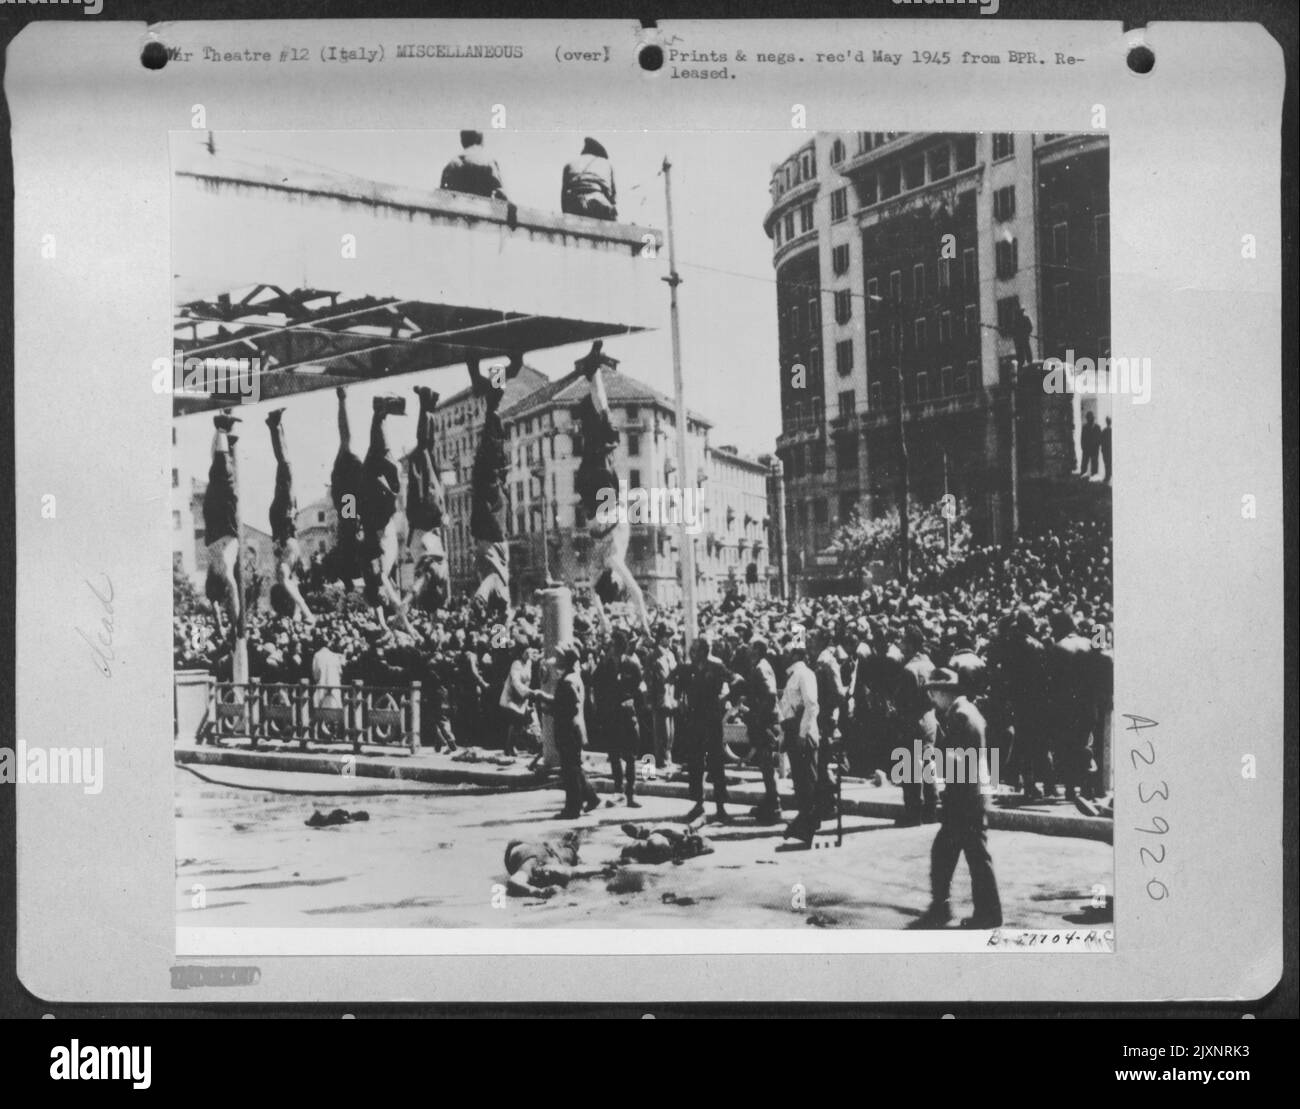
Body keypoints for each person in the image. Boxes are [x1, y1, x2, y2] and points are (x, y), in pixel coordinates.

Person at [911, 668, 1003, 929]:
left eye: (933, 691)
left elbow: (960, 759)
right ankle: (972, 911)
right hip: (971, 794)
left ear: (943, 692)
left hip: (965, 797)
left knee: (964, 855)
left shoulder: (959, 716)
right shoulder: (967, 711)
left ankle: (977, 913)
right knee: (960, 855)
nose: (931, 697)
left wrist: (930, 761)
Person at [574, 342, 650, 631]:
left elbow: (637, 592)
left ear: (614, 581)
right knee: (597, 436)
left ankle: (593, 372)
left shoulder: (614, 562)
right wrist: (604, 623)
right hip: (591, 496)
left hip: (606, 499)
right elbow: (592, 592)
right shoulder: (596, 570)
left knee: (606, 429)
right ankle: (591, 379)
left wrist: (644, 622)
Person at [467, 355, 519, 618]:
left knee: (492, 425)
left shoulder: (498, 584)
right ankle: (488, 372)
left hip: (492, 520)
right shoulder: (498, 589)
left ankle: (498, 372)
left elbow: (490, 583)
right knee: (492, 419)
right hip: (485, 520)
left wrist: (481, 597)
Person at [360, 394, 415, 636]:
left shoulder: (376, 575)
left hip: (377, 513)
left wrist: (407, 626)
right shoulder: (377, 578)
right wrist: (385, 625)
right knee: (378, 455)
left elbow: (388, 600)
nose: (387, 593)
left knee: (391, 467)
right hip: (375, 512)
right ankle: (379, 413)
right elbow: (381, 603)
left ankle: (380, 413)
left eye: (382, 595)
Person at [534, 640, 601, 818]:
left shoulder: (567, 682)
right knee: (575, 767)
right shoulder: (574, 677)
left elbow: (566, 707)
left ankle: (572, 808)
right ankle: (591, 797)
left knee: (569, 770)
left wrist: (546, 703)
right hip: (575, 728)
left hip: (568, 730)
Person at [266, 408, 314, 624]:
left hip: (283, 516)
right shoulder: (291, 566)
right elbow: (291, 583)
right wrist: (297, 613)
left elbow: (287, 581)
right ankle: (274, 424)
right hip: (284, 516)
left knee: (286, 466)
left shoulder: (285, 567)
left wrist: (304, 610)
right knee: (285, 465)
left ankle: (275, 424)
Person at [407, 385, 449, 613]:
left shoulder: (439, 574)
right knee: (423, 451)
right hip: (424, 513)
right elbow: (415, 589)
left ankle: (429, 404)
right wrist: (403, 607)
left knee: (427, 452)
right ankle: (426, 402)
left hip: (432, 513)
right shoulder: (430, 575)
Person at [680, 634, 732, 823]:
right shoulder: (689, 667)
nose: (692, 653)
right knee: (695, 763)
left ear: (704, 650)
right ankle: (698, 803)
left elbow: (733, 681)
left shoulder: (717, 666)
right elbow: (680, 686)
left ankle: (720, 806)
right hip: (695, 720)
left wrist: (723, 698)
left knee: (716, 763)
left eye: (695, 650)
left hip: (712, 719)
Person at [778, 632, 821, 846]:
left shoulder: (804, 675)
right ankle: (804, 825)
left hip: (803, 735)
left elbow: (811, 705)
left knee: (807, 783)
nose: (783, 653)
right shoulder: (792, 675)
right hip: (794, 732)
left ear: (796, 653)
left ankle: (808, 827)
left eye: (787, 650)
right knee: (801, 783)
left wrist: (803, 734)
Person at [203, 412, 242, 646]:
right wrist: (224, 627)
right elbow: (217, 606)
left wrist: (235, 627)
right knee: (217, 475)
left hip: (224, 530)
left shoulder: (224, 572)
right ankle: (222, 433)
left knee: (223, 476)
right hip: (214, 530)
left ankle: (222, 430)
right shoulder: (215, 573)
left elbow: (232, 594)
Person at [897, 625, 938, 825]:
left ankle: (913, 812)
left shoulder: (908, 670)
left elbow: (903, 701)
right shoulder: (929, 664)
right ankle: (931, 808)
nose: (899, 644)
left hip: (912, 719)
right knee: (928, 762)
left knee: (911, 765)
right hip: (930, 718)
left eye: (903, 641)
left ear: (911, 644)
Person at [742, 635, 783, 824]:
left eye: (751, 646)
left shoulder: (761, 668)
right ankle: (770, 801)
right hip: (764, 721)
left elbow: (770, 694)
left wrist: (758, 716)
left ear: (757, 649)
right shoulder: (761, 665)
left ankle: (774, 806)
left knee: (767, 765)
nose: (747, 649)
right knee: (764, 765)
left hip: (765, 723)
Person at [327, 386, 365, 591]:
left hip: (347, 495)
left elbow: (350, 515)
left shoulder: (349, 540)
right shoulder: (347, 550)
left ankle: (342, 398)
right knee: (345, 441)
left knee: (346, 441)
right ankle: (342, 399)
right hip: (346, 495)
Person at [440, 129, 508, 200]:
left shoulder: (452, 164)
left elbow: (441, 196)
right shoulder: (489, 162)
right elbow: (501, 193)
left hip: (457, 209)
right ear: (481, 140)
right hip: (482, 209)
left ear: (462, 142)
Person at [561, 137, 617, 220]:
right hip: (598, 200)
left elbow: (563, 196)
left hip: (574, 203)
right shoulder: (606, 163)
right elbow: (612, 196)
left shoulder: (569, 164)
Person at [647, 624, 678, 769]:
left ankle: (667, 757)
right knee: (661, 731)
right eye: (667, 636)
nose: (669, 639)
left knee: (671, 732)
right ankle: (660, 760)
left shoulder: (670, 654)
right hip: (659, 697)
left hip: (671, 697)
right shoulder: (653, 656)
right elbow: (650, 679)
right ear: (660, 638)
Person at [1079, 410, 1101, 479]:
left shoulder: (1097, 427)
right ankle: (1083, 476)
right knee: (1084, 464)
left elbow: (1099, 438)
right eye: (1088, 418)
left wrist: (1097, 445)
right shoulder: (1084, 427)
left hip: (1094, 449)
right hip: (1086, 449)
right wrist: (1083, 447)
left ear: (1093, 419)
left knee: (1095, 464)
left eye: (1090, 418)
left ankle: (1094, 477)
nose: (1089, 420)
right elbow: (1082, 438)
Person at [1100, 416, 1113, 482]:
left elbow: (1101, 441)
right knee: (1109, 463)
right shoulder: (1111, 431)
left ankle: (1108, 476)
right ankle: (1108, 476)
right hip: (1108, 450)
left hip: (1107, 450)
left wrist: (1102, 449)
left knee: (1107, 464)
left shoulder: (1104, 431)